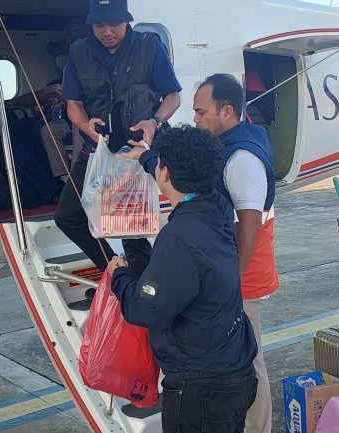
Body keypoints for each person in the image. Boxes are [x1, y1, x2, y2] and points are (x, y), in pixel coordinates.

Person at [108, 125, 257, 433]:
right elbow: (170, 171)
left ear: (166, 173)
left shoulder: (178, 237)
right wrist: (147, 157)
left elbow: (145, 309)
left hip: (200, 387)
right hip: (236, 370)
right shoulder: (217, 205)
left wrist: (119, 276)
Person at [54, 0, 181, 277]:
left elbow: (173, 96)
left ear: (126, 21)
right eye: (100, 25)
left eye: (114, 24)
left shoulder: (149, 46)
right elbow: (74, 104)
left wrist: (154, 122)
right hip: (100, 149)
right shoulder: (79, 52)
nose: (107, 31)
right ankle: (115, 271)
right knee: (68, 217)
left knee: (134, 228)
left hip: (141, 151)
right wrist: (85, 125)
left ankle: (148, 286)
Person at [193, 73, 278, 433]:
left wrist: (234, 279)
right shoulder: (233, 142)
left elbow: (249, 222)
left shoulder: (241, 157)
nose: (195, 119)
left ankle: (258, 429)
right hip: (236, 275)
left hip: (244, 278)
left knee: (249, 363)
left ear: (227, 111)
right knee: (239, 360)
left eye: (201, 112)